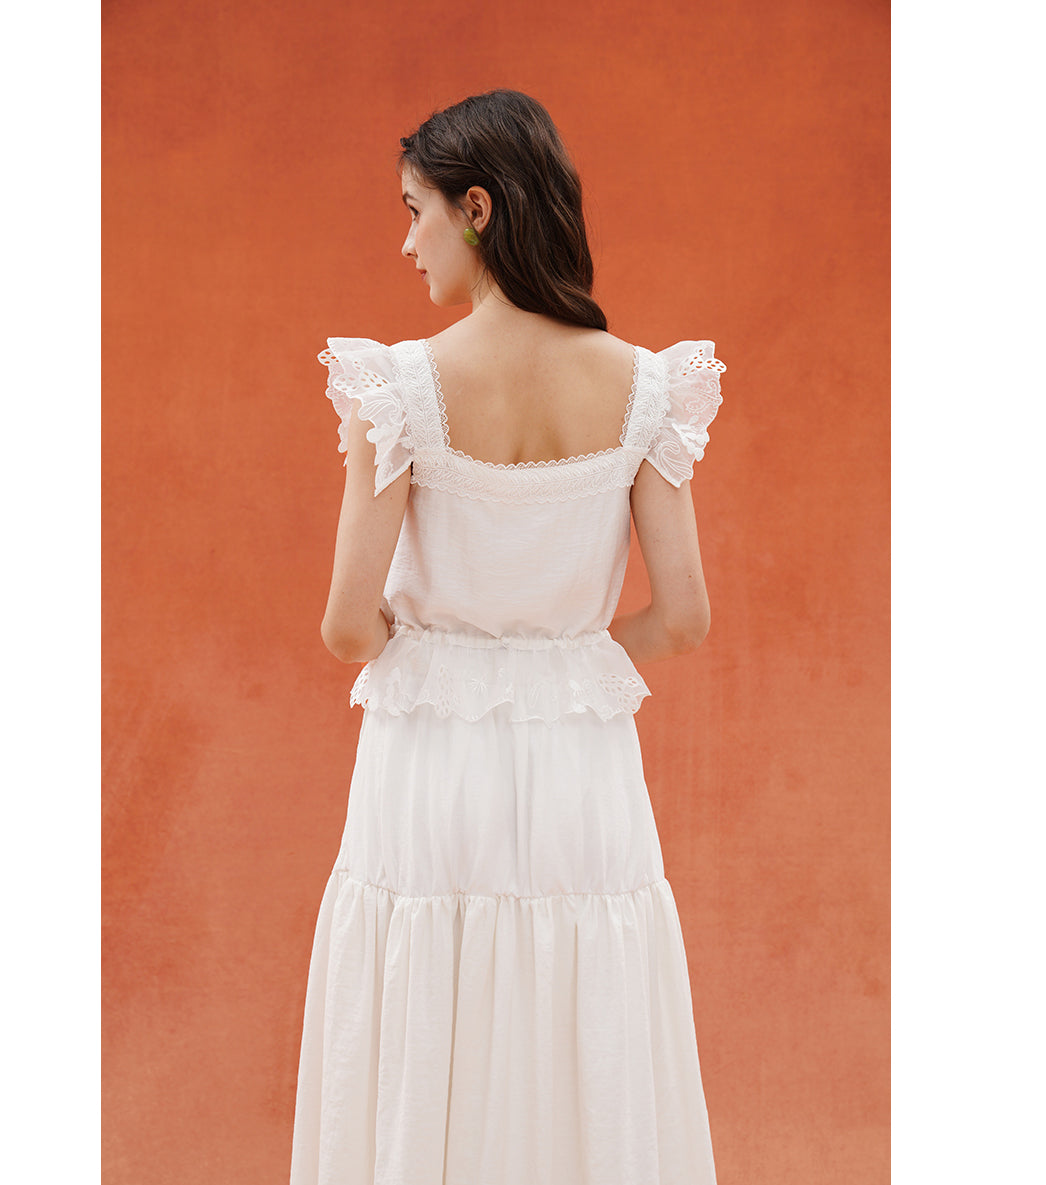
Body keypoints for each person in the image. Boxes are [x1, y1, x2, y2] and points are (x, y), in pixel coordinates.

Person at [289, 88, 725, 1185]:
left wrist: (435, 644)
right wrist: (568, 655)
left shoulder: (398, 389)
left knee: (427, 1014)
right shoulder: (645, 388)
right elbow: (684, 615)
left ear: (475, 208)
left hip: (430, 767)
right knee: (583, 1022)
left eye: (415, 210)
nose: (406, 242)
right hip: (582, 770)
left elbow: (345, 628)